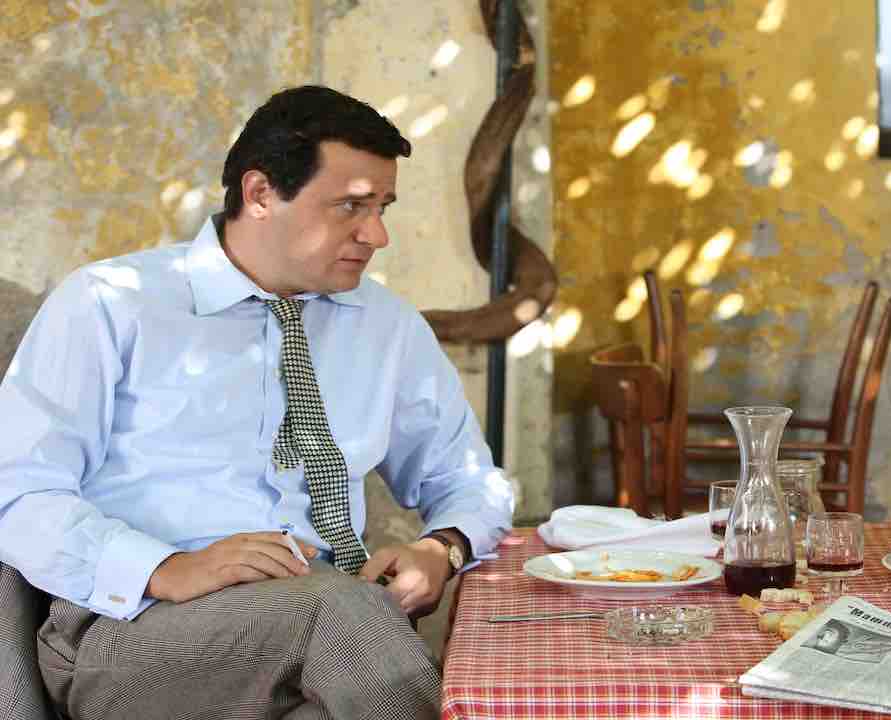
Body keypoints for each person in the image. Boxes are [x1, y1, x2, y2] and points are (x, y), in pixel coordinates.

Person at [0, 85, 514, 719]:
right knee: (343, 615)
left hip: (330, 629)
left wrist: (443, 548)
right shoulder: (108, 304)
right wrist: (165, 567)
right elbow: (18, 492)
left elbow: (468, 477)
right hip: (128, 628)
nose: (377, 234)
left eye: (382, 207)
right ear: (261, 193)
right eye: (350, 206)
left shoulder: (387, 325)